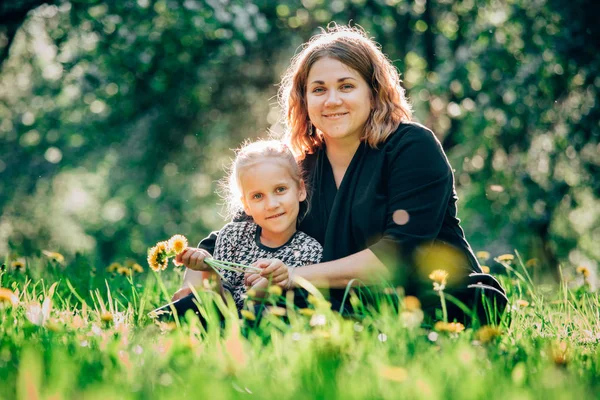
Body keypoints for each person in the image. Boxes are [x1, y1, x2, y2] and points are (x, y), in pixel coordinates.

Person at [178, 25, 507, 323]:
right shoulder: (300, 168)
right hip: (338, 303)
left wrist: (294, 274)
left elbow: (398, 255)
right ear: (304, 99)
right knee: (192, 313)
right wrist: (197, 273)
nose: (332, 100)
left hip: (429, 295)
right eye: (318, 89)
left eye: (346, 86)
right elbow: (237, 231)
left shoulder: (412, 146)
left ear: (372, 90)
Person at [173, 140, 323, 312]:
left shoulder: (309, 250)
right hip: (226, 321)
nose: (272, 204)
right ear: (246, 205)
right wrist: (209, 271)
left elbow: (253, 302)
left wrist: (273, 281)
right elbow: (222, 304)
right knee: (192, 304)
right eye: (258, 196)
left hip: (266, 323)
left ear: (300, 190)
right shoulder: (233, 236)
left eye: (280, 189)